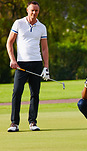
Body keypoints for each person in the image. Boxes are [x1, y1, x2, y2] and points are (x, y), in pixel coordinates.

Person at [6, 1, 49, 132]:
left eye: (36, 10)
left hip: (36, 63)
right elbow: (9, 43)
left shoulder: (42, 27)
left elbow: (45, 49)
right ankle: (14, 123)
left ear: (38, 11)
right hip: (21, 64)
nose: (34, 13)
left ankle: (33, 122)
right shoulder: (18, 23)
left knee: (35, 94)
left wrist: (46, 67)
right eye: (32, 10)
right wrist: (12, 60)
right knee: (17, 92)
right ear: (27, 10)